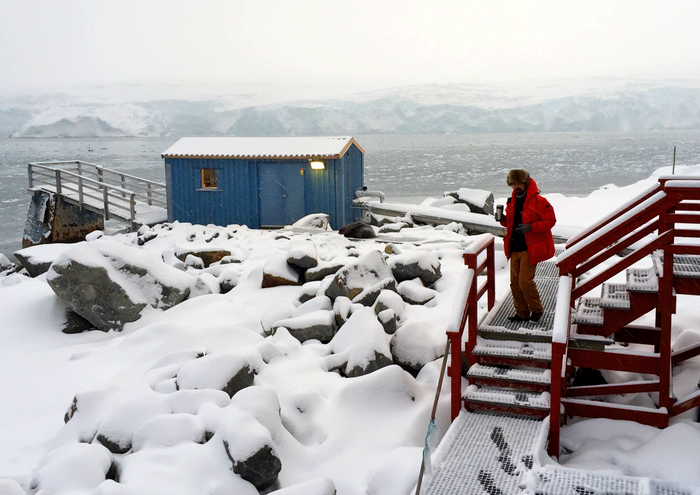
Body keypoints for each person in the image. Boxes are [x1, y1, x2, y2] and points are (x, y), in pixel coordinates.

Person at [497, 169, 556, 323]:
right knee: (514, 284)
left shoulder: (539, 201)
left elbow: (550, 221)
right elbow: (511, 222)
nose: (516, 186)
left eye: (519, 183)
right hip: (514, 247)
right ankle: (522, 313)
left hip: (530, 248)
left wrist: (531, 227)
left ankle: (537, 310)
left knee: (525, 282)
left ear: (525, 183)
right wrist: (503, 219)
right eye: (513, 183)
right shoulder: (512, 201)